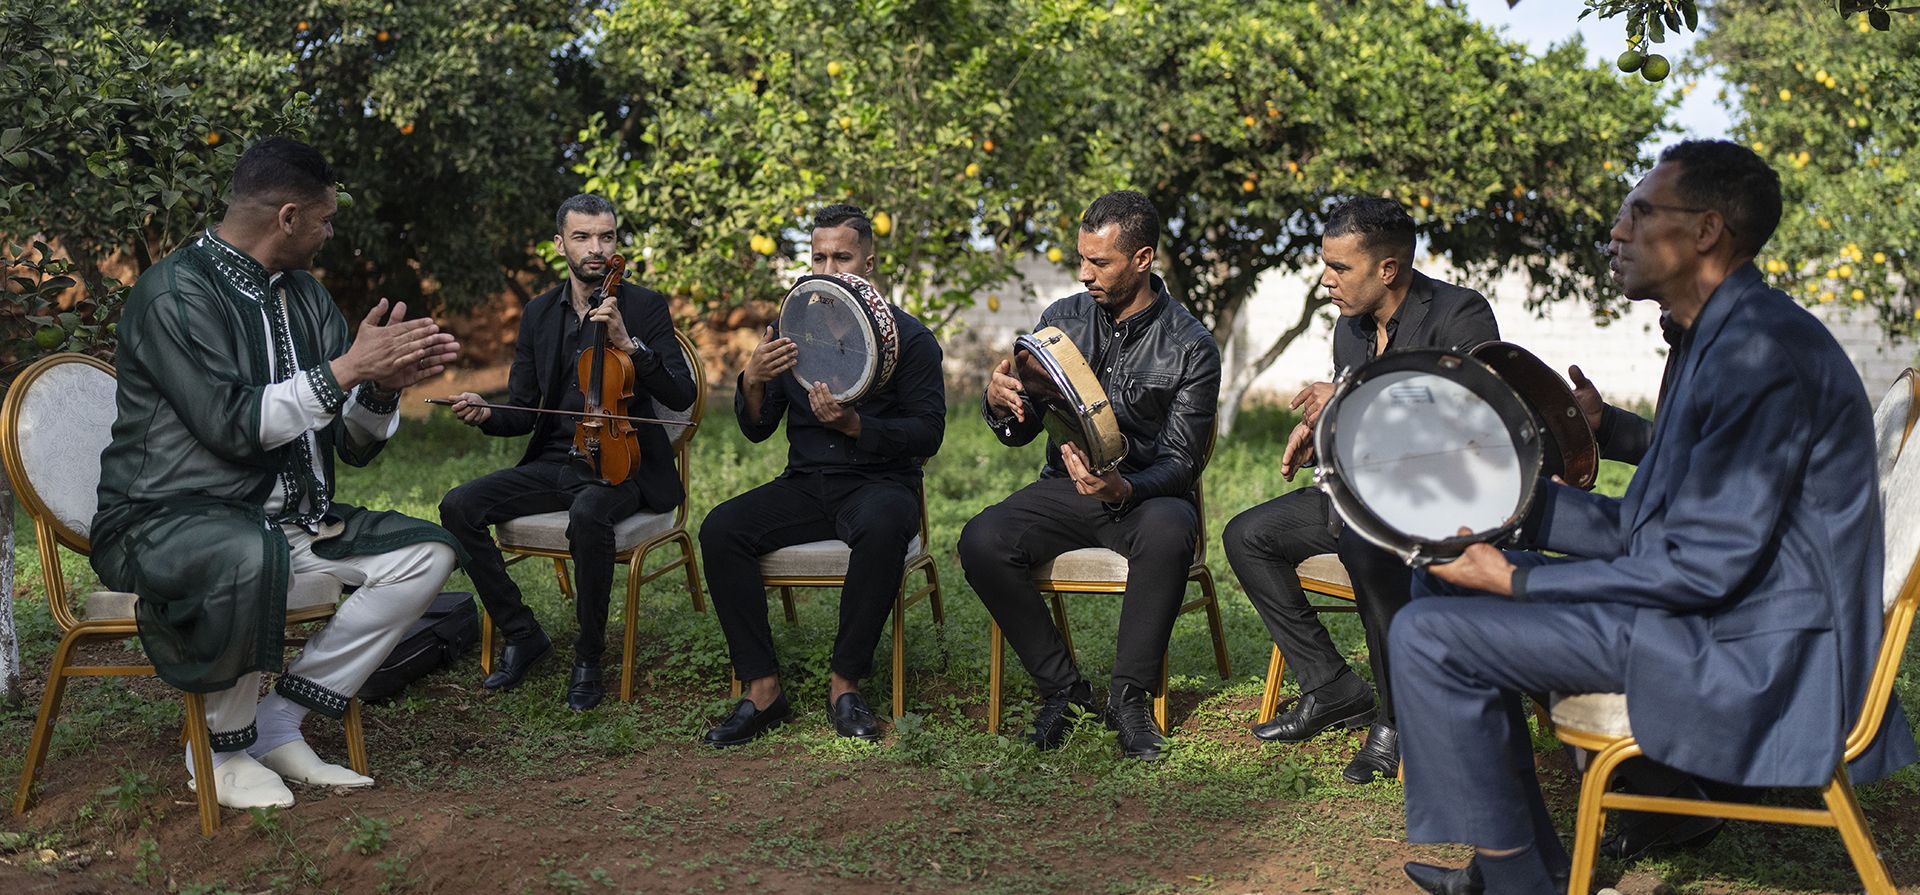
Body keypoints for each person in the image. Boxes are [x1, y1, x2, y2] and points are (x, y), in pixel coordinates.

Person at [1392, 140, 1918, 894]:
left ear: (1706, 232)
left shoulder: (1760, 353)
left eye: (1639, 212)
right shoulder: (1722, 337)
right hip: (1722, 612)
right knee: (1440, 589)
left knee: (1429, 636)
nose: (1616, 231)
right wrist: (1505, 507)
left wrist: (1517, 582)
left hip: (1754, 648)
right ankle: (1520, 867)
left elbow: (1705, 566)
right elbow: (1640, 528)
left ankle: (1516, 885)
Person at [90, 136, 463, 809]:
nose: (329, 234)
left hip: (286, 521)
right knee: (247, 551)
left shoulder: (308, 299)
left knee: (425, 553)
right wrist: (348, 368)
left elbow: (350, 442)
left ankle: (278, 722)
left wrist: (379, 388)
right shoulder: (173, 293)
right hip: (160, 523)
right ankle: (221, 750)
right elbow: (231, 425)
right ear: (287, 217)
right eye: (324, 220)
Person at [1220, 197, 1496, 782]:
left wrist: (1347, 398)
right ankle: (1333, 686)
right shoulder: (1350, 328)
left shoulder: (1461, 314)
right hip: (1356, 493)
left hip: (1437, 506)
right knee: (1248, 535)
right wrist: (1317, 429)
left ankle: (1397, 719)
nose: (1326, 281)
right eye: (1326, 265)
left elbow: (1468, 418)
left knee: (1368, 551)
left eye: (1340, 268)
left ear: (1388, 269)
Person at [958, 189, 1221, 761]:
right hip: (1065, 487)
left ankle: (1130, 701)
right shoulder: (1061, 320)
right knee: (981, 539)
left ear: (1143, 259)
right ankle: (1065, 692)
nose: (1084, 274)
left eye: (1099, 262)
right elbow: (1025, 426)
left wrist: (1124, 487)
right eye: (1081, 258)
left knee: (1173, 529)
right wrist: (1000, 404)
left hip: (1146, 494)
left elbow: (1182, 461)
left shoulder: (1191, 346)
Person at [698, 204, 946, 745]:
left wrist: (858, 426)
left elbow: (928, 433)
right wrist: (754, 380)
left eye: (842, 256)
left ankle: (845, 686)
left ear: (869, 261)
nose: (829, 268)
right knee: (720, 528)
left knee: (883, 527)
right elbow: (760, 429)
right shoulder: (794, 331)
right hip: (806, 484)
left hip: (881, 485)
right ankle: (762, 690)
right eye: (819, 257)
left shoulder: (911, 339)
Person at [437, 194, 697, 711]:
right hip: (556, 460)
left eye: (606, 237)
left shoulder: (643, 306)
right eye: (582, 237)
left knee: (589, 515)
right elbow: (526, 407)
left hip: (625, 465)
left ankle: (588, 656)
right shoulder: (538, 314)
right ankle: (522, 632)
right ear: (561, 245)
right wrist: (487, 412)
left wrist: (630, 343)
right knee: (459, 506)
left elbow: (680, 395)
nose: (596, 249)